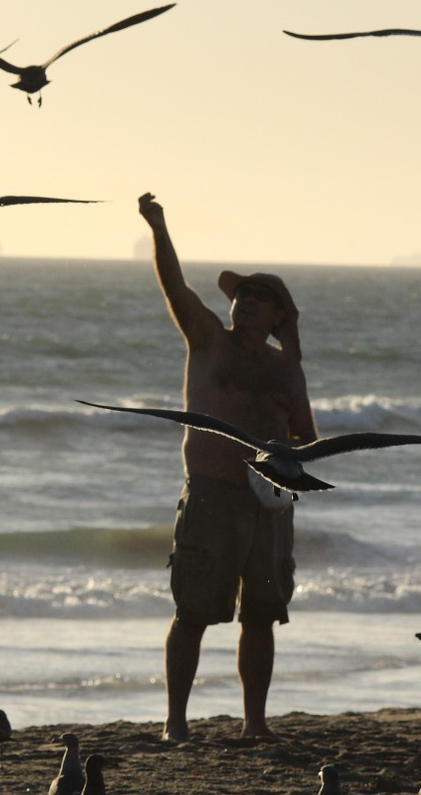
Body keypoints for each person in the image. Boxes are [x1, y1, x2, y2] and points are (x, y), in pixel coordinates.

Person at [137, 192, 317, 742]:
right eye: (242, 294)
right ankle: (175, 723)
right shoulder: (209, 340)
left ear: (279, 315)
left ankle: (254, 725)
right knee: (192, 611)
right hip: (212, 495)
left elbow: (307, 439)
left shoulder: (287, 370)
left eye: (261, 297)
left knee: (262, 614)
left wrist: (288, 457)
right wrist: (159, 227)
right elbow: (176, 287)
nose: (245, 301)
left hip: (268, 504)